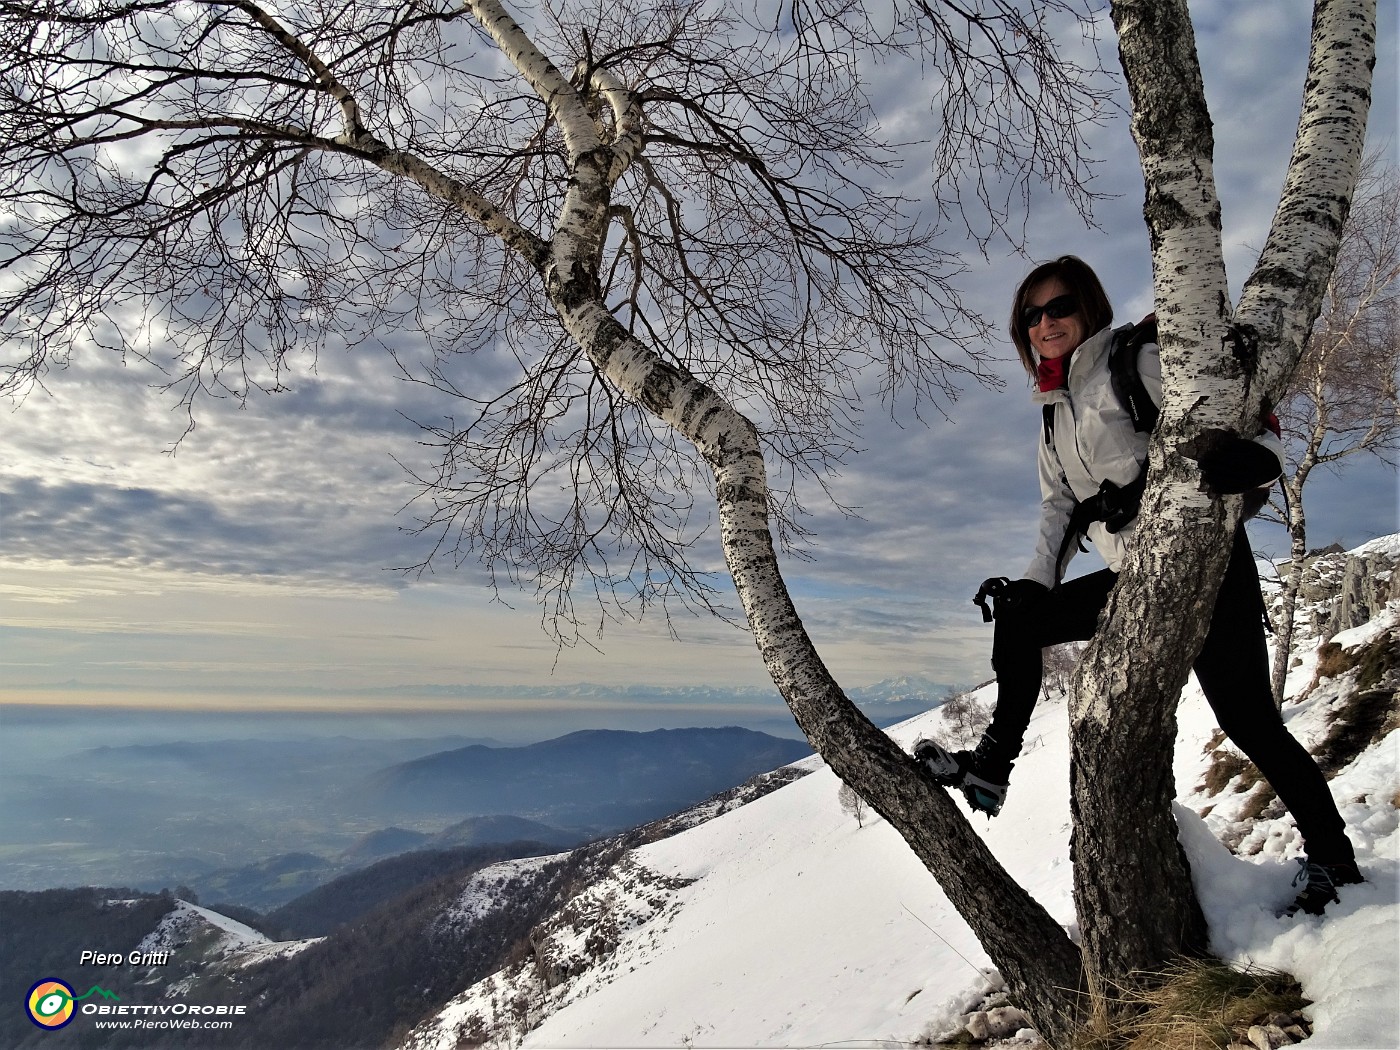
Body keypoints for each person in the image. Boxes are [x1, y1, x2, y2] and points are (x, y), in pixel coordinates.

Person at [914, 255, 1361, 917]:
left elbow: (1240, 422)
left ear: (1087, 307)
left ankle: (1334, 860)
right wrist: (1036, 583)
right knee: (1018, 618)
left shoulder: (1134, 360)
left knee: (1248, 723)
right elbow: (1060, 507)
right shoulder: (1052, 410)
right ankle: (991, 765)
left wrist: (1258, 464)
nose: (1045, 322)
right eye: (1031, 314)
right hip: (1135, 576)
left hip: (1209, 566)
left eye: (1058, 306)